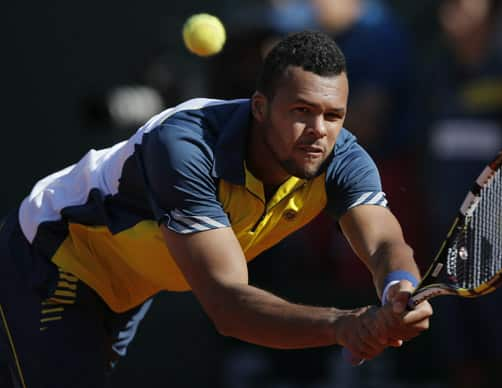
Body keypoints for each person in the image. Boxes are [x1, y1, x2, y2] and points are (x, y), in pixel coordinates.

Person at [0, 30, 433, 387]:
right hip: (54, 258)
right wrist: (342, 325)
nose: (318, 131)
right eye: (301, 111)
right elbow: (228, 305)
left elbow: (383, 240)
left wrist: (397, 285)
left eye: (333, 115)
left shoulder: (341, 157)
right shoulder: (185, 148)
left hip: (128, 289)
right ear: (260, 107)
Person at [413, 0, 502, 387]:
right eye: (446, 6)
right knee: (462, 362)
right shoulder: (430, 79)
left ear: (494, 15)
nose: (450, 14)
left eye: (463, 5)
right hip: (446, 250)